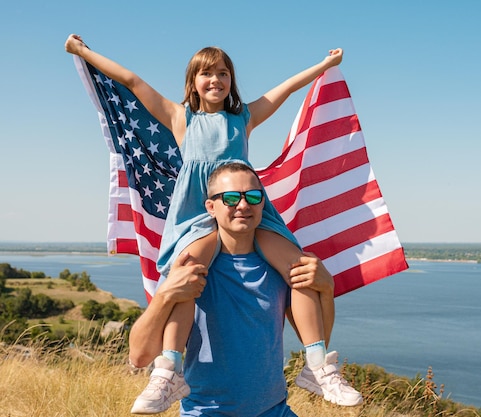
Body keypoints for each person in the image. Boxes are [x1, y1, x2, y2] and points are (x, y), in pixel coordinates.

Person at [64, 35, 361, 413]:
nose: (215, 80)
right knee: (188, 275)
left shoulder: (244, 118)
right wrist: (84, 52)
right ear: (193, 82)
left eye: (223, 73)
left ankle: (318, 365)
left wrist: (323, 66)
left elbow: (284, 89)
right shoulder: (180, 117)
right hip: (198, 215)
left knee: (298, 268)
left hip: (247, 204)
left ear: (231, 81)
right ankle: (168, 370)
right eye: (206, 73)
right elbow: (134, 82)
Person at [128, 162, 362, 416]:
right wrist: (164, 295)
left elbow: (319, 342)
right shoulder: (190, 268)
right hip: (207, 412)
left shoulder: (282, 266)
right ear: (211, 207)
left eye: (252, 196)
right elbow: (140, 357)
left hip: (275, 410)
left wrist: (326, 290)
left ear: (263, 203)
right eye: (230, 198)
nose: (243, 205)